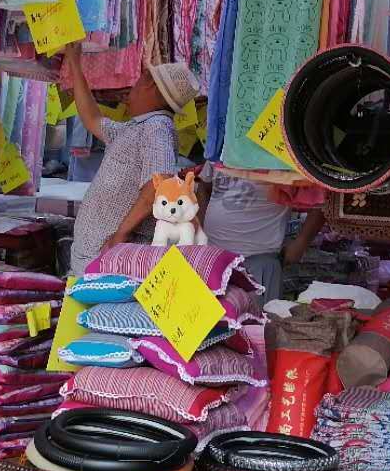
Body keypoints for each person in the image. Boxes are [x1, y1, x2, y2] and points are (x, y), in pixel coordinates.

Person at [63, 43, 200, 275]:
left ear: (149, 85)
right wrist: (75, 65)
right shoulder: (137, 127)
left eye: (136, 84)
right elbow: (92, 119)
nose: (129, 94)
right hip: (96, 257)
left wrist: (121, 234)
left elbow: (159, 187)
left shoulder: (157, 127)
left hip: (110, 259)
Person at [195, 163, 325, 302]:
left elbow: (324, 200)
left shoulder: (286, 157)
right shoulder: (219, 152)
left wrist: (301, 243)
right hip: (213, 258)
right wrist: (200, 230)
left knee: (256, 314)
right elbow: (204, 186)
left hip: (258, 259)